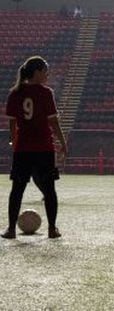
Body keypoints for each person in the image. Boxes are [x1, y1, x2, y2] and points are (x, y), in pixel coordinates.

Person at [1, 56, 67, 239]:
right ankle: (52, 229)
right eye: (45, 71)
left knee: (17, 189)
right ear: (37, 72)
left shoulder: (15, 93)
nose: (47, 75)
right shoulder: (46, 93)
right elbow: (53, 122)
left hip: (23, 149)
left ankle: (11, 230)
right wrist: (62, 142)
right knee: (49, 188)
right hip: (44, 148)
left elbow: (13, 125)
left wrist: (15, 143)